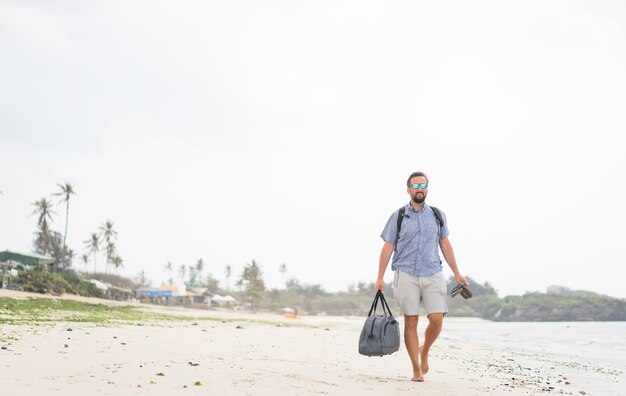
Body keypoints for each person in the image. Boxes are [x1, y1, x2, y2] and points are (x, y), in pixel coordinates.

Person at [375, 171, 468, 382]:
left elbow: (445, 244)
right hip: (405, 273)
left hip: (433, 272)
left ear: (427, 189)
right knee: (411, 321)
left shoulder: (437, 214)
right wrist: (380, 277)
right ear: (408, 189)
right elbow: (388, 247)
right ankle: (416, 369)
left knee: (436, 319)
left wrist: (457, 273)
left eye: (423, 186)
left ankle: (424, 350)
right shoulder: (398, 216)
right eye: (415, 186)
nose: (419, 189)